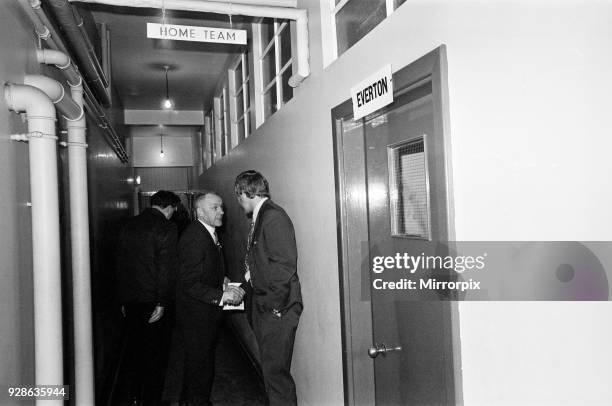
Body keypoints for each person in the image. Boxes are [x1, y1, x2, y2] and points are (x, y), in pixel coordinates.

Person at [234, 170, 303, 406]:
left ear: (245, 192)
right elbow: (261, 261)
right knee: (271, 372)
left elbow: (284, 266)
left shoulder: (273, 217)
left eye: (239, 197)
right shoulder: (262, 215)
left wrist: (275, 308)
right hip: (265, 304)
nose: (239, 203)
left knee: (276, 375)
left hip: (277, 308)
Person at [174, 191, 245, 406]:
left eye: (221, 207)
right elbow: (189, 283)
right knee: (201, 367)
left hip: (202, 314)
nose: (221, 211)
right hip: (196, 315)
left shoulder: (208, 233)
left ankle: (188, 400)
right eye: (215, 208)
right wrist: (221, 295)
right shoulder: (195, 237)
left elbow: (204, 269)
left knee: (197, 363)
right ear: (199, 212)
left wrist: (221, 280)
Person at [116, 190, 180, 406]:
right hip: (153, 302)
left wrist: (123, 300)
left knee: (134, 351)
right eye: (174, 210)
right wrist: (162, 302)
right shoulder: (166, 227)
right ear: (170, 207)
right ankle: (151, 400)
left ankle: (134, 397)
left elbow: (121, 265)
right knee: (156, 355)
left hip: (131, 301)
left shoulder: (128, 225)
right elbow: (166, 270)